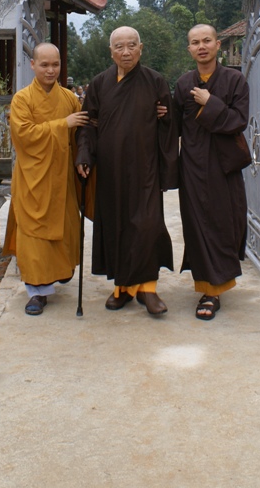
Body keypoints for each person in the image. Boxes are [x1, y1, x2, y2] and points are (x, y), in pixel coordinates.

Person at [76, 26, 178, 316]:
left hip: (146, 168)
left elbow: (170, 125)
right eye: (119, 46)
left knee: (146, 226)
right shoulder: (99, 84)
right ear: (111, 52)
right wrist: (84, 154)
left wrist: (166, 118)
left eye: (132, 45)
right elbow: (87, 123)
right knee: (117, 226)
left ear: (141, 48)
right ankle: (122, 288)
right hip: (111, 170)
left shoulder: (155, 81)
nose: (126, 52)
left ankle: (148, 289)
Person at [2, 43, 89, 316]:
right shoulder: (22, 99)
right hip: (33, 178)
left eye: (55, 65)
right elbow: (24, 135)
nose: (50, 70)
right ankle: (37, 291)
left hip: (62, 176)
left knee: (63, 227)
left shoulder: (69, 98)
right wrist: (63, 124)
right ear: (33, 65)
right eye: (44, 65)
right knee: (34, 234)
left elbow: (81, 132)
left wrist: (82, 157)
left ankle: (60, 271)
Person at [173, 24, 249, 320]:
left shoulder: (235, 80)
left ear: (218, 45)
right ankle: (208, 288)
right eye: (195, 42)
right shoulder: (184, 83)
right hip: (192, 165)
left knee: (223, 222)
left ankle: (216, 286)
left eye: (207, 41)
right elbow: (174, 126)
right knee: (196, 225)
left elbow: (239, 121)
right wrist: (162, 115)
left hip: (223, 166)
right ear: (189, 49)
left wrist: (210, 103)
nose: (201, 46)